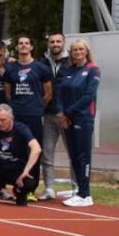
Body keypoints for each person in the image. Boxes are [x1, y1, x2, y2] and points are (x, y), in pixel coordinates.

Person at [4, 34, 52, 194]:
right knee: (17, 150)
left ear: (31, 47)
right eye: (20, 43)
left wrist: (36, 106)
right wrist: (17, 107)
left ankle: (31, 187)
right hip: (16, 115)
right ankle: (17, 185)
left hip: (34, 115)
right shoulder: (10, 68)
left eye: (26, 43)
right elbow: (8, 93)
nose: (23, 46)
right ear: (16, 47)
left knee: (34, 150)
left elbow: (48, 94)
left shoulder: (41, 68)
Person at [57, 38, 100, 207]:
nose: (78, 52)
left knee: (83, 156)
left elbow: (88, 96)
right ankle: (78, 189)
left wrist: (68, 113)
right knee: (73, 155)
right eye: (75, 50)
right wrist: (61, 113)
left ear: (86, 51)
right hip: (67, 118)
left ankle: (85, 194)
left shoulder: (93, 70)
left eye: (81, 49)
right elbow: (59, 93)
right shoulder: (69, 70)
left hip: (83, 117)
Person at [40, 31, 72, 200]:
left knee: (72, 153)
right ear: (49, 44)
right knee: (47, 154)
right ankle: (49, 188)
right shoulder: (42, 62)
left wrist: (68, 112)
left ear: (63, 42)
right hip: (48, 115)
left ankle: (77, 188)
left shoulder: (72, 60)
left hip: (67, 116)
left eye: (58, 41)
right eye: (52, 42)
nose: (55, 44)